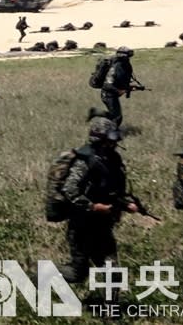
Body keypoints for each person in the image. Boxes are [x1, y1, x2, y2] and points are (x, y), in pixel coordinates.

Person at [58, 116, 138, 292]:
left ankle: (111, 314)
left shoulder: (112, 160)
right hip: (81, 226)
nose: (114, 144)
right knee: (77, 273)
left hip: (102, 226)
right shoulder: (84, 161)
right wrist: (93, 207)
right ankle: (40, 276)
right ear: (99, 139)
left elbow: (113, 190)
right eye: (110, 140)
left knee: (113, 271)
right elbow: (70, 190)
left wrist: (126, 204)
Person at [100, 46, 134, 127]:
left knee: (114, 115)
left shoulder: (125, 66)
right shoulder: (115, 68)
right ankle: (110, 133)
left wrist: (128, 88)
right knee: (117, 117)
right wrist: (119, 91)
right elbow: (107, 85)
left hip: (112, 94)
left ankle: (96, 113)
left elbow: (123, 81)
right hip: (108, 94)